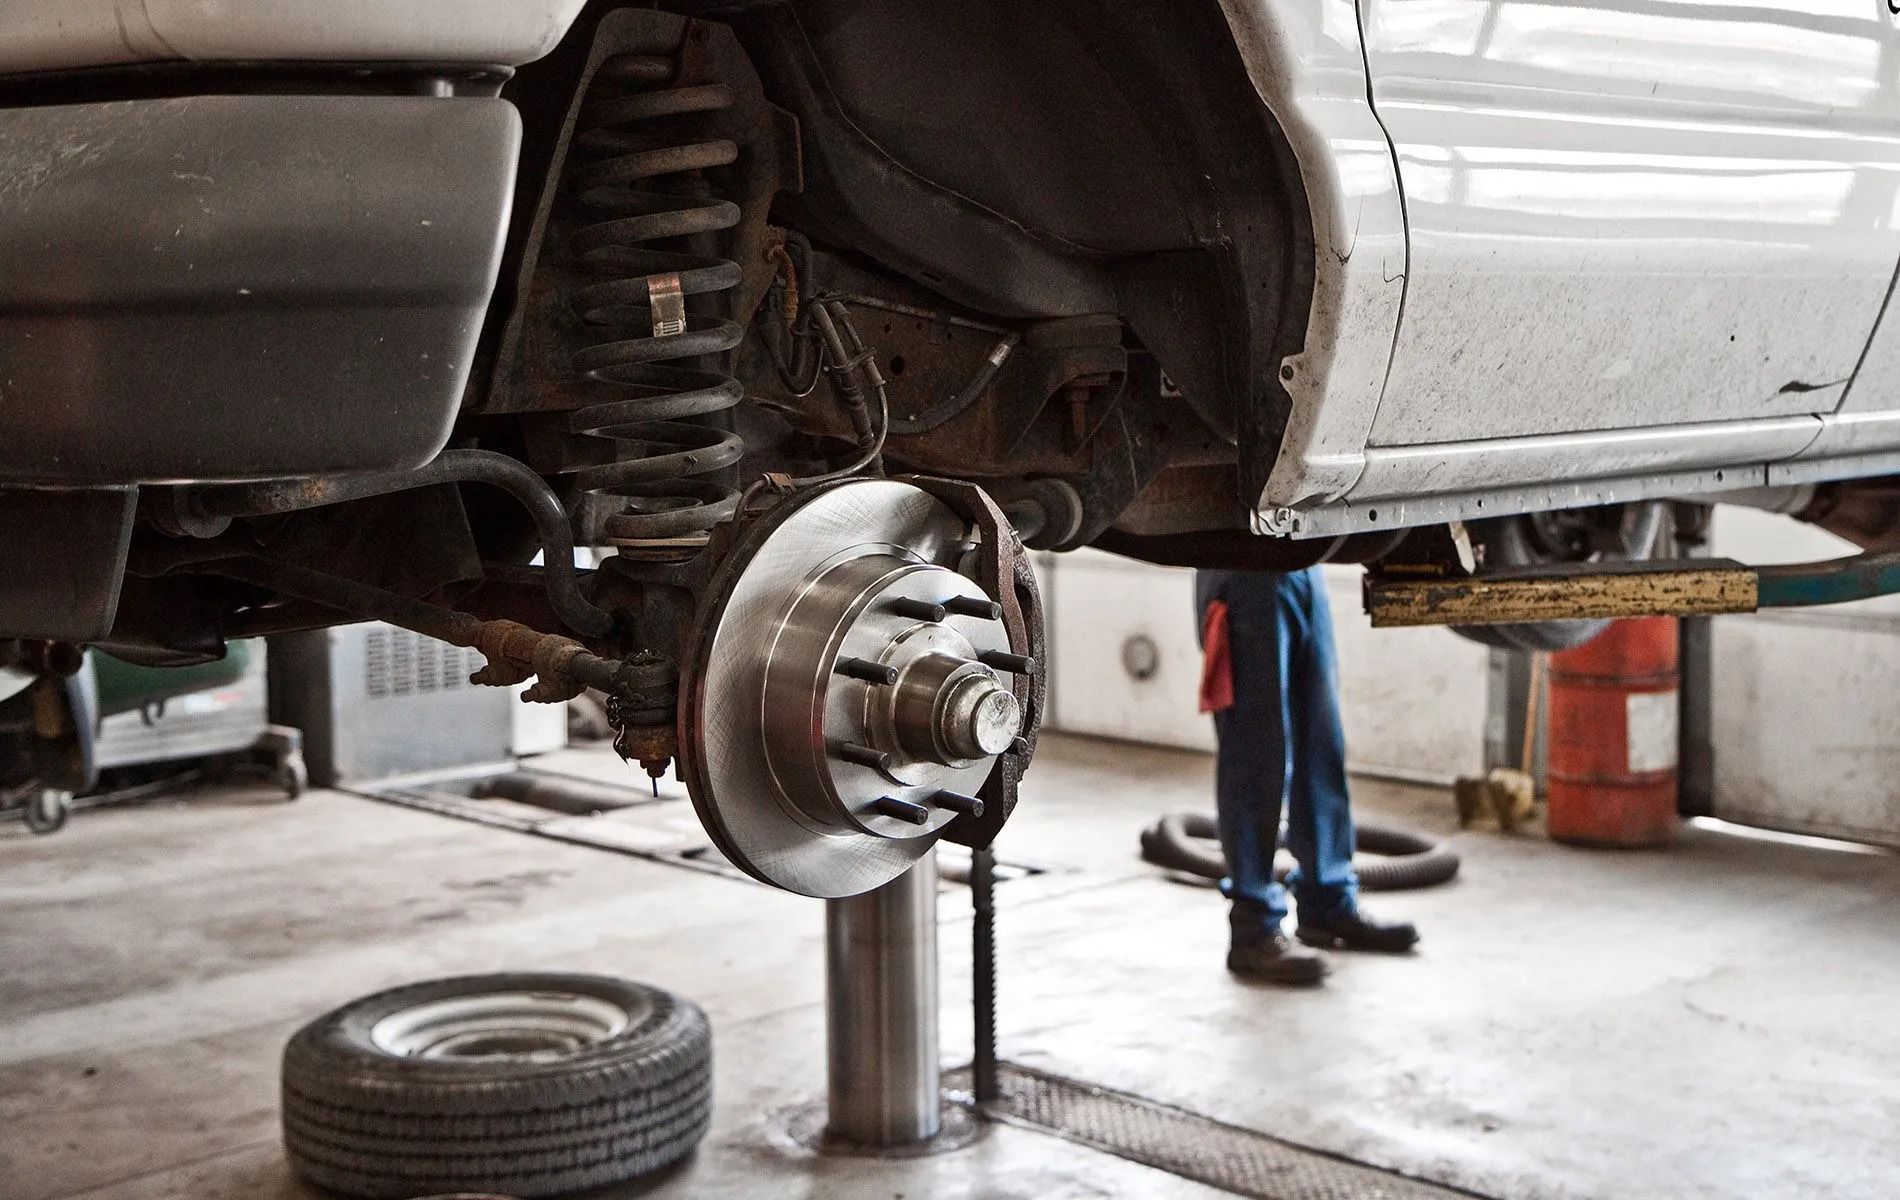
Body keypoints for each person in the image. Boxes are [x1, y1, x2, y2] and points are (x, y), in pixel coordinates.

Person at [1195, 568, 1418, 985]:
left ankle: (1326, 902)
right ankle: (1253, 929)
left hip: (1304, 562)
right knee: (1256, 751)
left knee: (1322, 739)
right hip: (1242, 564)